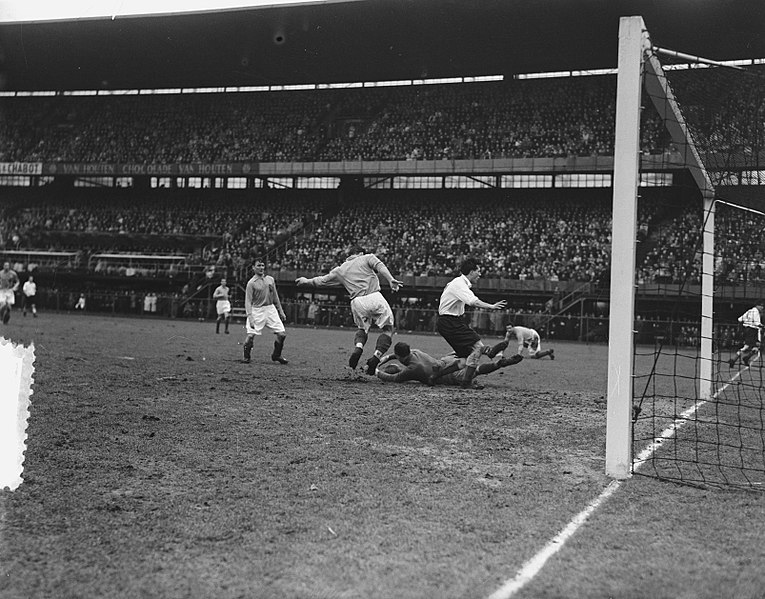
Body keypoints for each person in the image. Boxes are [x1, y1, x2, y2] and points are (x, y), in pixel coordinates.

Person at [296, 245, 404, 374]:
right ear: (360, 253)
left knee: (362, 329)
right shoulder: (367, 257)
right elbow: (380, 266)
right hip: (374, 296)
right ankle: (376, 356)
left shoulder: (340, 270)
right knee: (388, 329)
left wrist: (306, 280)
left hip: (357, 302)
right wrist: (390, 279)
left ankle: (358, 347)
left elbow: (320, 281)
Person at [430, 258, 508, 388]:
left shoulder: (459, 283)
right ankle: (468, 380)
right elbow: (473, 301)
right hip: (450, 322)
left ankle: (435, 377)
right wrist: (491, 306)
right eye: (478, 271)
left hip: (451, 322)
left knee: (464, 360)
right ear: (471, 272)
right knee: (477, 347)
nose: (480, 274)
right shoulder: (459, 284)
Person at [375, 341, 523, 389]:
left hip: (446, 374)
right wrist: (386, 358)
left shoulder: (412, 369)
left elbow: (394, 379)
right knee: (469, 351)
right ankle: (488, 350)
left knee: (474, 371)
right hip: (445, 360)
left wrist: (376, 371)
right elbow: (398, 356)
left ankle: (499, 364)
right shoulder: (415, 352)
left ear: (401, 359)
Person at [243, 260, 288, 364]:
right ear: (253, 268)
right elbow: (248, 301)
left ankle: (276, 355)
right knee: (250, 336)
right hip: (257, 310)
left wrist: (281, 311)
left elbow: (275, 296)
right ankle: (246, 356)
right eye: (258, 265)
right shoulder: (251, 283)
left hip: (270, 309)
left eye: (263, 265)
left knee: (282, 334)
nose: (261, 267)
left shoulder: (270, 280)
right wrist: (250, 317)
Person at [729, 301, 765, 368]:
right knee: (747, 347)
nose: (762, 308)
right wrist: (763, 326)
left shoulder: (749, 311)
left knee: (756, 347)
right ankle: (733, 359)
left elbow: (739, 319)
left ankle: (746, 358)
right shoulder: (756, 312)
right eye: (761, 306)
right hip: (753, 331)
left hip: (747, 330)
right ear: (758, 305)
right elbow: (757, 323)